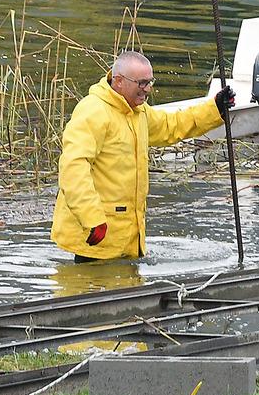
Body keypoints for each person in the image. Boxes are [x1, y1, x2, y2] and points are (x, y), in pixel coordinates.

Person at [52, 50, 234, 262]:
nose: (148, 89)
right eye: (142, 83)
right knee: (93, 289)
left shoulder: (138, 112)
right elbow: (73, 168)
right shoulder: (93, 111)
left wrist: (215, 108)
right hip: (95, 236)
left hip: (128, 237)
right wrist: (92, 219)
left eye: (150, 82)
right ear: (119, 81)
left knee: (126, 287)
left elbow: (170, 125)